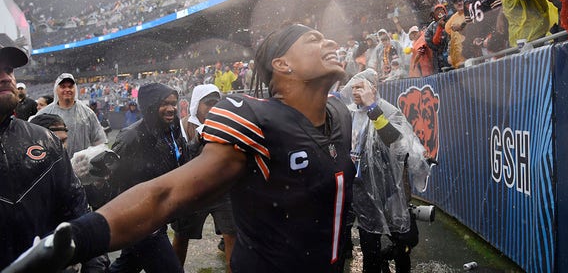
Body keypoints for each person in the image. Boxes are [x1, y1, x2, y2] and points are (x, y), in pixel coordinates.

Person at [7, 24, 355, 273]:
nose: (330, 43)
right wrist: (78, 239)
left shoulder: (340, 113)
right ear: (282, 64)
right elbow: (166, 193)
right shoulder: (255, 119)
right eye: (314, 39)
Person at [0, 39, 109, 272]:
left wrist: (95, 265)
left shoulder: (45, 139)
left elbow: (77, 211)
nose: (6, 77)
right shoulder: (46, 116)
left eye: (9, 69)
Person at [341, 69, 430, 273]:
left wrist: (372, 108)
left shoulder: (387, 110)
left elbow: (396, 142)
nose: (356, 92)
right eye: (353, 87)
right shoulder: (349, 112)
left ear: (373, 88)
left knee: (404, 243)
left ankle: (389, 260)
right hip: (361, 191)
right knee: (369, 247)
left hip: (388, 189)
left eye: (360, 87)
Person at [106, 82, 190, 273]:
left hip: (158, 214)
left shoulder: (173, 129)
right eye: (165, 103)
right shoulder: (131, 137)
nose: (171, 108)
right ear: (151, 105)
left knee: (128, 264)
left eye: (174, 103)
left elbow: (181, 162)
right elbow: (113, 180)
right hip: (140, 219)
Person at [172, 84, 237, 270]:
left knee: (231, 235)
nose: (212, 107)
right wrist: (197, 140)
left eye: (216, 102)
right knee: (181, 236)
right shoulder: (183, 126)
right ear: (197, 104)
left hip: (222, 190)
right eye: (208, 103)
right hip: (192, 191)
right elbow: (181, 159)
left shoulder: (227, 122)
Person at [35, 73, 107, 157]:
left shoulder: (87, 113)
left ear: (75, 89)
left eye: (70, 86)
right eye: (63, 87)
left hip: (82, 165)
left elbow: (99, 141)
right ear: (56, 89)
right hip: (53, 166)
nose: (67, 89)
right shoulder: (44, 114)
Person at [425, 4, 451, 73]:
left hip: (452, 51)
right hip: (438, 56)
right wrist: (437, 49)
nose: (439, 12)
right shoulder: (432, 26)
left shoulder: (451, 20)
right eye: (437, 11)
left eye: (441, 10)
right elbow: (429, 40)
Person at [445, 0, 467, 68]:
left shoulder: (471, 12)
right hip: (457, 59)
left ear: (464, 1)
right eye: (456, 3)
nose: (459, 4)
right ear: (454, 5)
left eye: (460, 1)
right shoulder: (451, 20)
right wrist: (449, 54)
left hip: (470, 53)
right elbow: (450, 39)